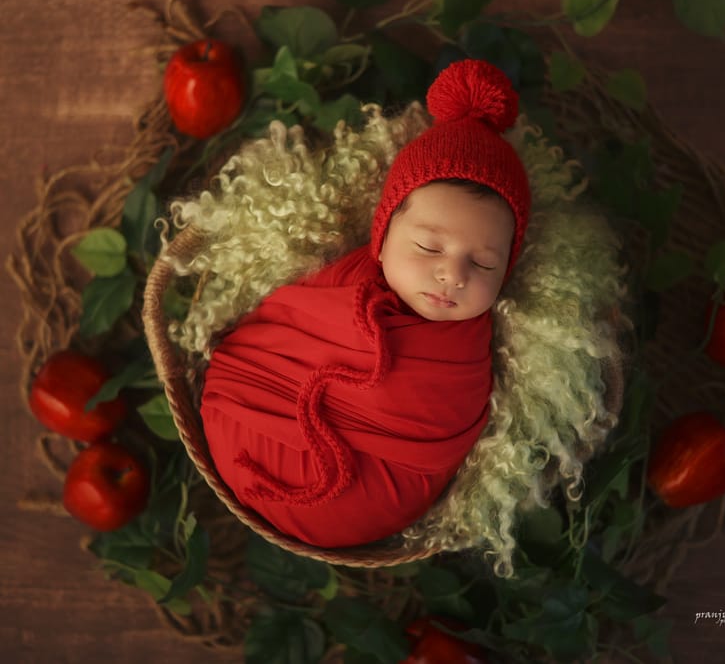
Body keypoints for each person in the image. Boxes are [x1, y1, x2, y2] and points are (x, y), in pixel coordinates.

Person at [198, 59, 533, 547]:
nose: (452, 275)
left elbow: (446, 420)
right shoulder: (340, 280)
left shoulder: (468, 349)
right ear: (383, 231)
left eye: (484, 264)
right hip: (242, 423)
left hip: (369, 500)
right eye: (429, 247)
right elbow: (272, 333)